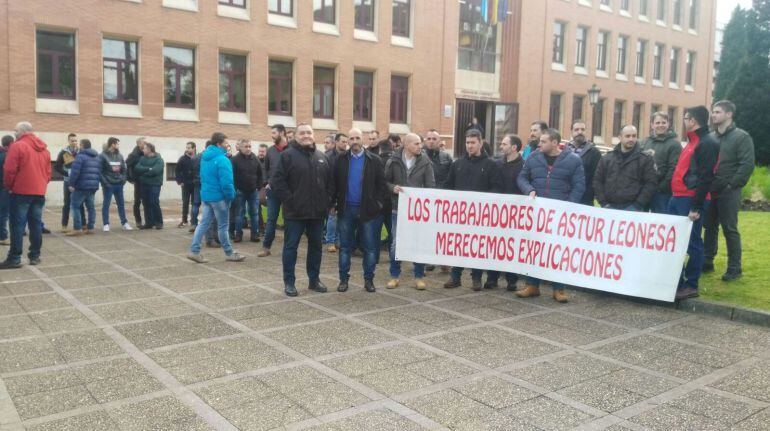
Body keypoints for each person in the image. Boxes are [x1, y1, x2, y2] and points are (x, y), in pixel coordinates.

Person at [517, 128, 586, 303]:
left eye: (544, 141)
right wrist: (529, 190)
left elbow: (579, 186)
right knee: (535, 249)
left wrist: (568, 206)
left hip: (559, 215)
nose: (539, 144)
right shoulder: (533, 157)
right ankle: (532, 285)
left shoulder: (573, 161)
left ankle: (558, 288)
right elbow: (522, 178)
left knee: (558, 250)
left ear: (555, 143)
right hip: (538, 213)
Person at [271, 124, 334, 297]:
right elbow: (278, 183)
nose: (306, 135)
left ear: (314, 135)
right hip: (295, 213)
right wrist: (291, 202)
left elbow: (330, 184)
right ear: (295, 136)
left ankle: (314, 280)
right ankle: (289, 283)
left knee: (316, 247)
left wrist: (327, 202)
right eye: (302, 133)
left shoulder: (322, 157)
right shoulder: (287, 156)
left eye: (309, 132)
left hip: (317, 213)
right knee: (291, 248)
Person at [669, 106, 719, 300]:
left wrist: (696, 206)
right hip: (679, 196)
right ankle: (678, 281)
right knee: (677, 242)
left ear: (693, 121)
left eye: (686, 118)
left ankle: (691, 284)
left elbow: (707, 176)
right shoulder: (693, 141)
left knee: (692, 242)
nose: (684, 121)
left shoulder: (706, 143)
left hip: (690, 199)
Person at [443, 129, 503, 291]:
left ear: (480, 143)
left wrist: (483, 202)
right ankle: (455, 277)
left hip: (481, 216)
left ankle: (476, 278)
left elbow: (497, 187)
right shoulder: (457, 164)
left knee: (477, 247)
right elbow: (448, 186)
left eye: (473, 143)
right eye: (467, 142)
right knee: (459, 246)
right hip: (460, 216)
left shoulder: (491, 165)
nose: (469, 146)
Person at [704, 100, 756, 282]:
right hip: (711, 190)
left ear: (728, 115)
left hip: (729, 191)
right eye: (713, 112)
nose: (713, 115)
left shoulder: (742, 137)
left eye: (717, 112)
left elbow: (747, 165)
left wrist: (731, 185)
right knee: (709, 227)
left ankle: (735, 267)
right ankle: (707, 260)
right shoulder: (710, 137)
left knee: (730, 229)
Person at [333, 128, 387, 293]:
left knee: (370, 247)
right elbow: (333, 183)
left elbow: (382, 186)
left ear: (362, 139)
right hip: (346, 209)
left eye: (357, 137)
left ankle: (369, 280)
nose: (354, 141)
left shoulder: (375, 160)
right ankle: (343, 280)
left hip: (368, 211)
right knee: (345, 247)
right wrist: (333, 204)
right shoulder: (340, 160)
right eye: (351, 138)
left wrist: (377, 205)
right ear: (347, 141)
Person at [385, 133, 435, 290]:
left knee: (418, 243)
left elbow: (430, 185)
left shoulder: (425, 161)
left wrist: (423, 198)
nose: (420, 146)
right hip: (397, 209)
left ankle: (419, 276)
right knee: (395, 245)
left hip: (417, 211)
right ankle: (394, 276)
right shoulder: (393, 160)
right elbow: (384, 181)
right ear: (406, 145)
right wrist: (392, 188)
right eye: (416, 143)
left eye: (420, 143)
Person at [187, 133, 245, 264]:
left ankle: (194, 251)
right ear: (219, 144)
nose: (227, 145)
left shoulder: (204, 157)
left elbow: (203, 177)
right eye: (225, 143)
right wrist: (231, 196)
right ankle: (230, 253)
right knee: (223, 226)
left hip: (207, 196)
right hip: (220, 198)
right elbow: (227, 182)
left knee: (203, 224)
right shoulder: (223, 159)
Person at [0, 122, 51, 269]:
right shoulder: (44, 149)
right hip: (38, 192)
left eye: (16, 131)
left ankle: (14, 258)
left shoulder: (17, 146)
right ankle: (35, 255)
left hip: (21, 191)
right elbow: (48, 173)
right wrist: (42, 185)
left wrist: (9, 187)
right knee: (35, 224)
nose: (14, 133)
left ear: (23, 132)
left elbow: (9, 170)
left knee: (17, 225)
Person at [486, 134, 524, 291]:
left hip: (516, 212)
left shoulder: (524, 165)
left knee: (512, 247)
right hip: (498, 211)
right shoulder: (497, 164)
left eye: (504, 144)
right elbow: (492, 184)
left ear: (514, 147)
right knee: (495, 245)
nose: (501, 147)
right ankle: (492, 277)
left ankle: (511, 279)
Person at [593, 125, 657, 211]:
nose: (631, 139)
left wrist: (638, 205)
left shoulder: (645, 160)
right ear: (620, 137)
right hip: (608, 208)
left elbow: (650, 183)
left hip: (633, 210)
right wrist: (603, 203)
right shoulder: (607, 158)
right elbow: (597, 181)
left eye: (634, 136)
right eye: (627, 136)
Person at [641, 111, 682, 213]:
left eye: (663, 122)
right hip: (644, 190)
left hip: (662, 192)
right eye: (657, 123)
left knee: (660, 221)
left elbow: (674, 168)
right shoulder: (645, 142)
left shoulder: (674, 144)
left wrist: (661, 187)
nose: (660, 125)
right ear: (652, 125)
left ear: (668, 124)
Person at [259, 124, 289, 257]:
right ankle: (266, 247)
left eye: (274, 133)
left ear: (282, 133)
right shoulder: (270, 151)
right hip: (273, 191)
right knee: (271, 219)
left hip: (289, 191)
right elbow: (265, 168)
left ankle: (288, 248)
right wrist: (266, 182)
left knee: (289, 219)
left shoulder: (292, 149)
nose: (272, 136)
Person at [66, 139, 101, 236]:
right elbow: (99, 172)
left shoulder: (80, 157)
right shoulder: (97, 157)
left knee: (75, 206)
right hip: (92, 186)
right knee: (91, 207)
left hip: (81, 186)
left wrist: (71, 184)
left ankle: (77, 228)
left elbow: (75, 172)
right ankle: (90, 228)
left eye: (80, 145)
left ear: (82, 146)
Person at [231, 139, 263, 243]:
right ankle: (238, 235)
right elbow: (232, 176)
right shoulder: (235, 160)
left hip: (253, 191)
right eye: (246, 146)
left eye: (249, 146)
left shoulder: (255, 158)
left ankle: (254, 234)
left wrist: (258, 186)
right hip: (240, 191)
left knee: (254, 213)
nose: (248, 148)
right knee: (239, 214)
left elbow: (260, 173)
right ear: (240, 147)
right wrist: (235, 188)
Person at [99, 137, 132, 232]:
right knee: (106, 204)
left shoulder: (120, 156)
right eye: (117, 143)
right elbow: (100, 172)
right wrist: (105, 183)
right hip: (108, 185)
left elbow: (124, 169)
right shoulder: (102, 156)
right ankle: (106, 224)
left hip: (119, 184)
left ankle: (124, 223)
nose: (118, 145)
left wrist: (123, 179)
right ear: (112, 144)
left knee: (121, 204)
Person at [54, 133, 85, 232]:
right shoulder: (63, 153)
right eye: (72, 141)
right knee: (67, 203)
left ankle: (83, 224)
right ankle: (64, 225)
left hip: (79, 181)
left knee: (80, 203)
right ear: (68, 141)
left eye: (76, 141)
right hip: (68, 181)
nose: (75, 143)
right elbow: (57, 166)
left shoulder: (81, 152)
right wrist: (66, 173)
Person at [568, 120, 602, 206]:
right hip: (565, 195)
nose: (580, 132)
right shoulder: (564, 150)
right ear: (571, 131)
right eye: (576, 130)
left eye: (582, 129)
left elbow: (596, 177)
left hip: (585, 199)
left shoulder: (594, 152)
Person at [324, 133, 348, 252]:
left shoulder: (347, 156)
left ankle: (338, 241)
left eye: (346, 142)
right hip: (332, 190)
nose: (345, 144)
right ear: (337, 142)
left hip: (344, 190)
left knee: (341, 217)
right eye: (343, 141)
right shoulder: (328, 156)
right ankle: (330, 241)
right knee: (332, 216)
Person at [133, 143, 164, 230]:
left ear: (150, 149)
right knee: (146, 203)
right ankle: (149, 223)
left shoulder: (159, 159)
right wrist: (147, 169)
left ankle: (159, 222)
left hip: (155, 184)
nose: (143, 150)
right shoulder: (142, 158)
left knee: (154, 202)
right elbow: (137, 168)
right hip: (144, 184)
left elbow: (155, 171)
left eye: (145, 148)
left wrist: (143, 173)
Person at [126, 137, 146, 227]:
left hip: (146, 180)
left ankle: (148, 220)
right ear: (139, 144)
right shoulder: (134, 155)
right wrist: (130, 179)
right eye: (144, 142)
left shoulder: (146, 153)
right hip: (137, 181)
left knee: (147, 201)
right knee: (137, 201)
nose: (145, 144)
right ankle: (138, 221)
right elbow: (127, 166)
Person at [176, 141, 196, 228]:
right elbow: (177, 171)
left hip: (195, 184)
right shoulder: (182, 159)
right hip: (185, 184)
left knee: (195, 203)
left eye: (189, 148)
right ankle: (184, 220)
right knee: (185, 202)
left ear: (194, 148)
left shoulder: (197, 158)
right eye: (186, 147)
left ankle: (194, 221)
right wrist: (180, 181)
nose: (187, 149)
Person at [0, 135, 14, 246]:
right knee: (3, 213)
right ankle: (3, 237)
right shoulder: (7, 155)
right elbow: (10, 172)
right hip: (4, 187)